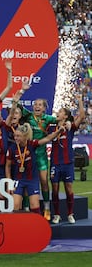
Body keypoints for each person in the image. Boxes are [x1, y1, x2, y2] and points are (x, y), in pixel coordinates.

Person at [5, 123, 63, 214]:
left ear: (25, 136)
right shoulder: (12, 148)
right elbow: (7, 166)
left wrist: (58, 131)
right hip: (18, 180)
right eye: (15, 136)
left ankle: (37, 226)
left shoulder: (32, 144)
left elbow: (47, 139)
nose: (16, 138)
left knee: (34, 205)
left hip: (32, 179)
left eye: (18, 136)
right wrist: (8, 181)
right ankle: (16, 227)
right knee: (15, 205)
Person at [50, 94, 85, 224]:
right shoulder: (51, 127)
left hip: (67, 163)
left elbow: (81, 116)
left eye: (60, 112)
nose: (57, 113)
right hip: (55, 163)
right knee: (55, 189)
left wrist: (80, 101)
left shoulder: (70, 128)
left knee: (69, 188)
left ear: (65, 116)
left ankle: (70, 214)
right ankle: (57, 215)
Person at [22, 97, 57, 220]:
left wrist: (67, 122)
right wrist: (20, 93)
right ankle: (26, 208)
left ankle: (47, 208)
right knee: (27, 181)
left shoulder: (48, 119)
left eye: (39, 105)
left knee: (44, 182)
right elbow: (18, 107)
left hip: (41, 156)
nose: (37, 106)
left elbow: (61, 119)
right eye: (35, 104)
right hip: (28, 155)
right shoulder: (28, 116)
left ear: (44, 108)